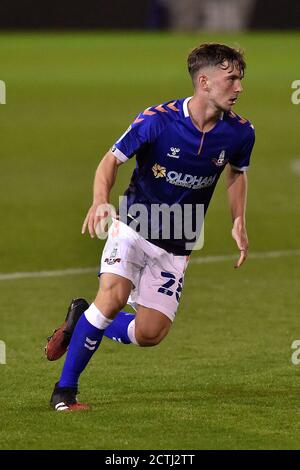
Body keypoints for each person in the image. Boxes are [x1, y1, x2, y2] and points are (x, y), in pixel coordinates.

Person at [46, 43, 255, 411]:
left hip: (180, 238)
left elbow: (237, 173)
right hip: (134, 225)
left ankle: (81, 317)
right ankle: (65, 391)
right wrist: (99, 200)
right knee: (111, 297)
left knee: (149, 334)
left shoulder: (240, 133)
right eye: (232, 79)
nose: (239, 87)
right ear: (204, 81)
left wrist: (238, 219)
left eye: (240, 79)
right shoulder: (157, 120)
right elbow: (110, 161)